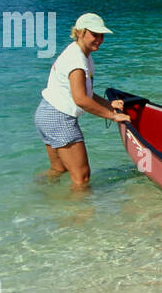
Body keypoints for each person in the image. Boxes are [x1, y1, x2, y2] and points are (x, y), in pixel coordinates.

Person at [33, 13, 130, 190]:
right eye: (95, 34)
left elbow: (85, 94)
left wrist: (109, 104)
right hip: (59, 118)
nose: (100, 39)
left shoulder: (81, 54)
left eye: (102, 35)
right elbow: (80, 100)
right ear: (80, 32)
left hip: (46, 113)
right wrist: (112, 116)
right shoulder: (77, 61)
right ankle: (78, 216)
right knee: (82, 178)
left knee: (58, 168)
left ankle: (36, 193)